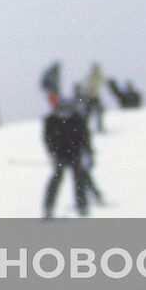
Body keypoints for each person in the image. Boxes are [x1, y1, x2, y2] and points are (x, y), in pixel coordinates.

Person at [41, 88, 93, 218]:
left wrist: (87, 153)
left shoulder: (77, 119)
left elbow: (85, 137)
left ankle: (82, 206)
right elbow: (48, 139)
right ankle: (49, 207)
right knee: (57, 179)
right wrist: (52, 153)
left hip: (75, 153)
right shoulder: (51, 121)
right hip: (60, 155)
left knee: (79, 179)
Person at [84, 61, 106, 133]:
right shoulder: (91, 76)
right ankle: (86, 127)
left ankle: (99, 127)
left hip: (94, 97)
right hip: (91, 97)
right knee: (89, 113)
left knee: (97, 113)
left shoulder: (97, 76)